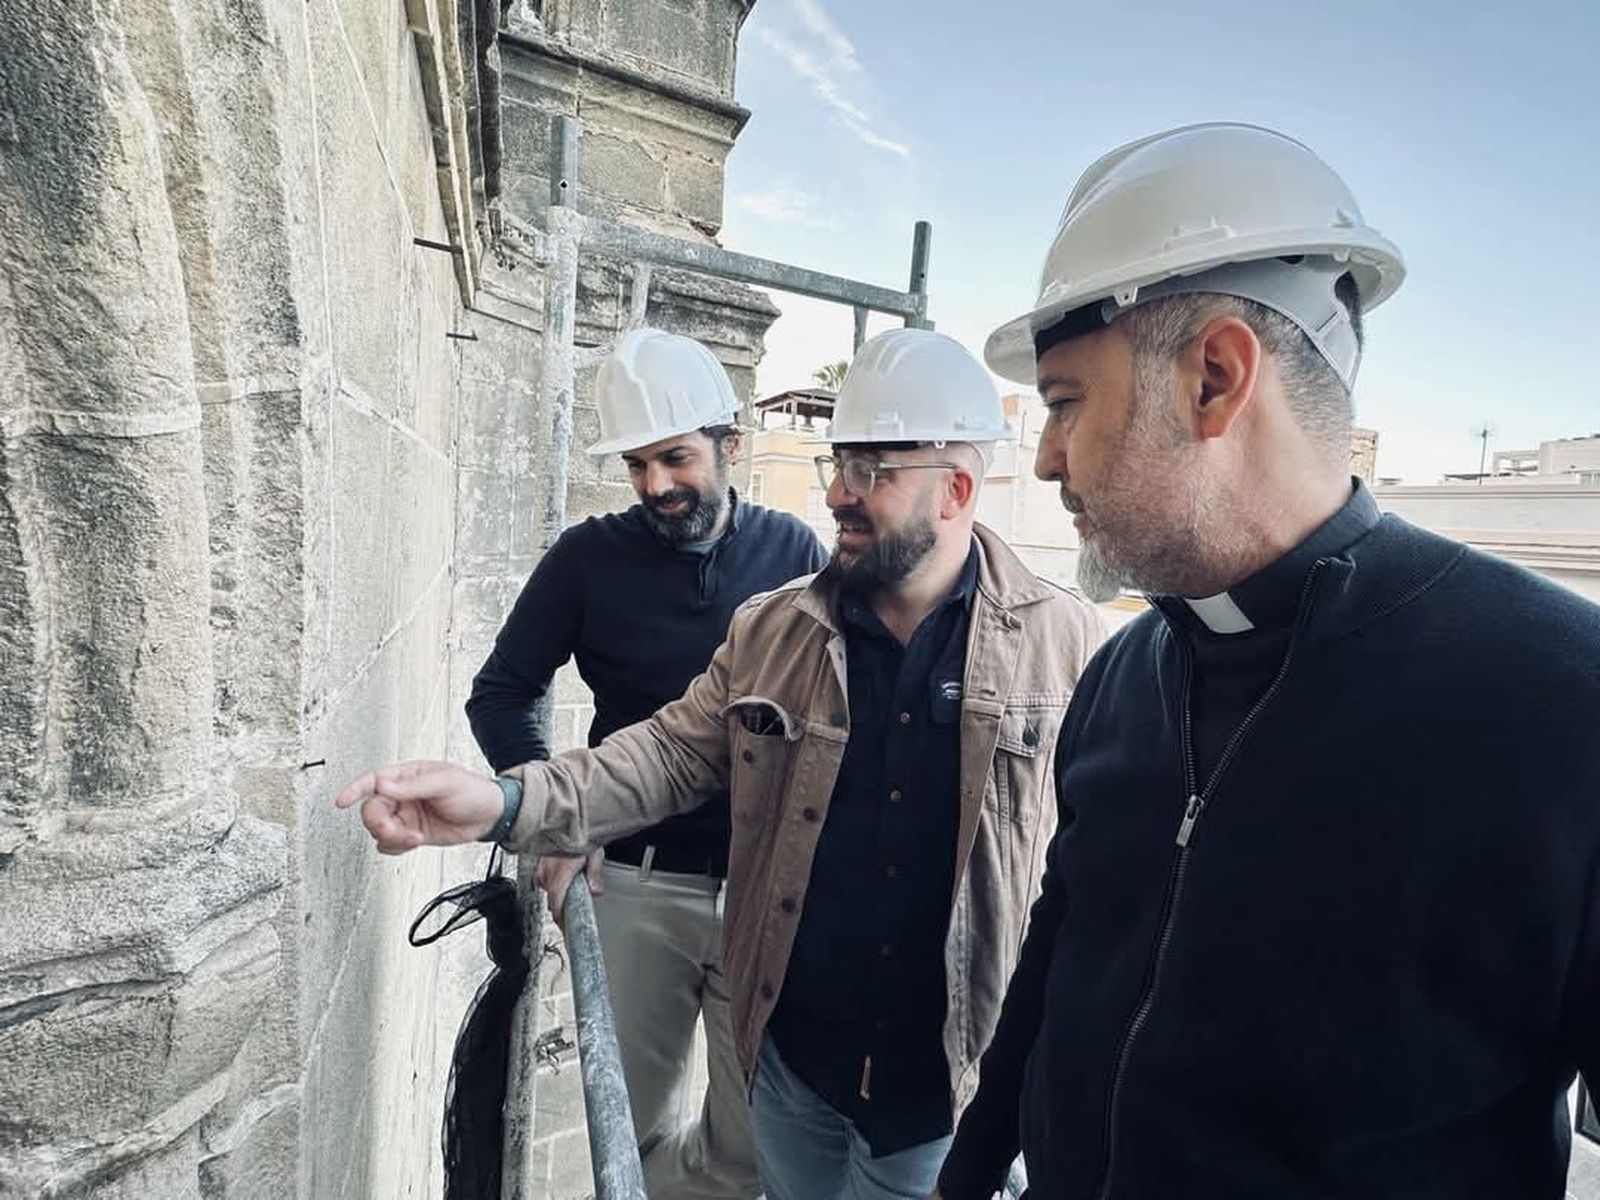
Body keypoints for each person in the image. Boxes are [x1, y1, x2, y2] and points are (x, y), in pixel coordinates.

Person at [932, 122, 1600, 1199]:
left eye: (1063, 402)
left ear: (1214, 377)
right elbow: (1057, 965)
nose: (1045, 457)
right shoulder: (1120, 671)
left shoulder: (1559, 701)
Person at [339, 328, 1106, 1200]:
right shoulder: (775, 629)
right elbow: (664, 753)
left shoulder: (1071, 648)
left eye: (874, 473)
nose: (842, 497)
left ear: (956, 490)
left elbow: (1107, 879)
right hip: (790, 1069)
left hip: (934, 1104)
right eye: (838, 467)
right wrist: (505, 800)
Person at [466, 327, 827, 1199]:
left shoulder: (797, 557)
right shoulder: (586, 560)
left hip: (762, 893)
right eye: (637, 466)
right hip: (632, 882)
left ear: (728, 445)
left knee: (750, 1153)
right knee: (623, 1132)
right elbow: (501, 692)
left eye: (674, 458)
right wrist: (560, 818)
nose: (656, 486)